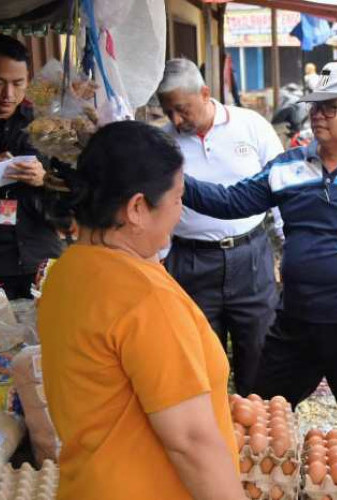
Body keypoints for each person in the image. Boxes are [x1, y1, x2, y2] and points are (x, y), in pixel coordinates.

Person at [182, 62, 337, 434]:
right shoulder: (286, 168)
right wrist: (171, 176)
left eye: (331, 107)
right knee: (261, 419)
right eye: (315, 107)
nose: (317, 116)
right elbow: (230, 202)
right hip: (295, 322)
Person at [37, 121, 244, 500]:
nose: (180, 213)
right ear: (136, 208)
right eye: (178, 198)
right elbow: (190, 442)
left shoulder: (66, 272)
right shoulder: (142, 297)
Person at [157, 58, 281, 396]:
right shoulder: (162, 142)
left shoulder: (251, 125)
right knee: (199, 359)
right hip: (190, 261)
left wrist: (288, 248)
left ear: (206, 93)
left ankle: (258, 441)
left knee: (258, 352)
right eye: (169, 112)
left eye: (182, 109)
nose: (176, 120)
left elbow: (283, 185)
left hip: (251, 256)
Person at [0, 34, 62, 299]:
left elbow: (75, 187)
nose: (8, 95)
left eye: (18, 83)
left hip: (40, 257)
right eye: (0, 83)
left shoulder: (44, 123)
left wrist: (44, 178)